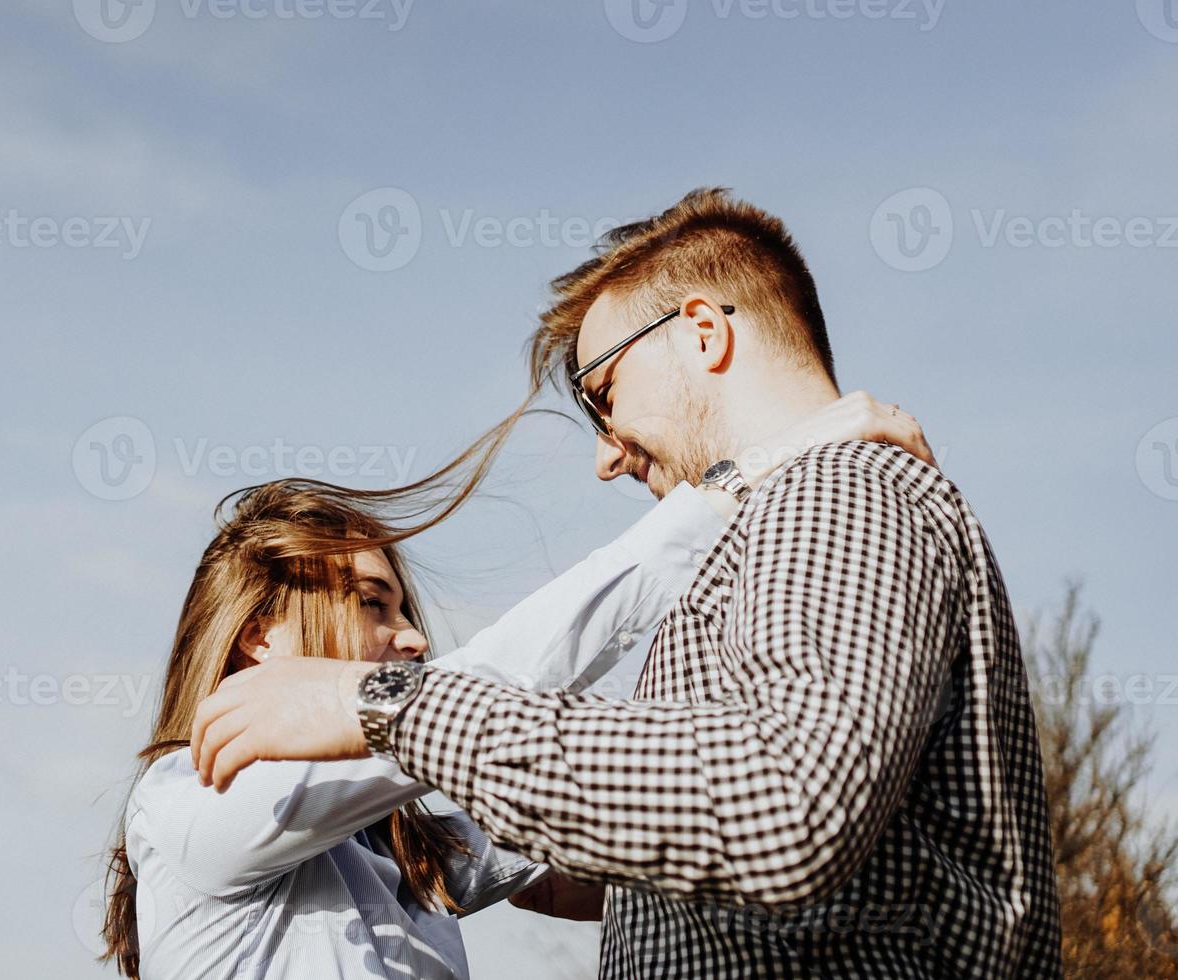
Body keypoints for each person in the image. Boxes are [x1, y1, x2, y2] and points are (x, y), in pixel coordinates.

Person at [189, 188, 1064, 977]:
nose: (606, 455)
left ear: (704, 332)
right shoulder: (781, 519)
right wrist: (637, 887)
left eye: (603, 395)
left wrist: (385, 704)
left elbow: (785, 804)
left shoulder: (836, 490)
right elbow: (772, 813)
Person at [102, 393, 932, 979]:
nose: (415, 637)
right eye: (371, 602)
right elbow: (487, 688)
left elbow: (602, 837)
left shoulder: (395, 837)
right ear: (259, 634)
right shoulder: (186, 805)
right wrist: (741, 482)